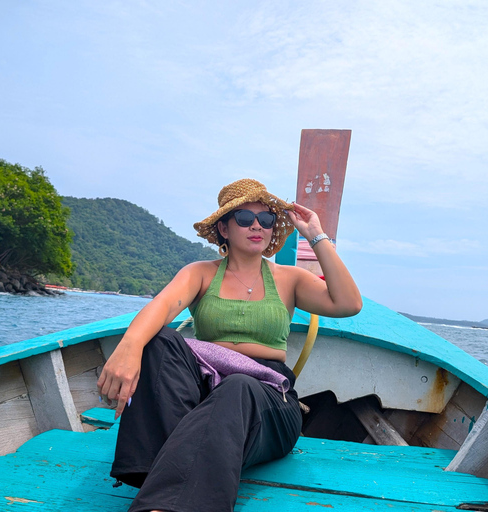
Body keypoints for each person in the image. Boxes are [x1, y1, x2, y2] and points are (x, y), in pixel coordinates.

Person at [97, 178, 362, 512]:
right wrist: (129, 346)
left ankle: (165, 503)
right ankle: (165, 481)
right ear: (223, 227)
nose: (257, 226)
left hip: (268, 399)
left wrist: (316, 236)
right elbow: (163, 307)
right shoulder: (200, 273)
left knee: (238, 386)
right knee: (158, 341)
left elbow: (348, 304)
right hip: (208, 388)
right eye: (244, 218)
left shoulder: (288, 279)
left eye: (266, 220)